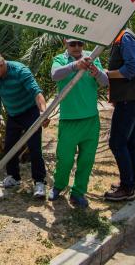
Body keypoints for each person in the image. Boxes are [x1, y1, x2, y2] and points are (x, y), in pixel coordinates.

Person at [48, 39, 108, 208]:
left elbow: (105, 82)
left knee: (86, 160)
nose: (76, 48)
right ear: (66, 43)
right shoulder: (60, 59)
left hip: (91, 119)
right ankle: (59, 186)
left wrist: (96, 72)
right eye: (72, 44)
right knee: (65, 159)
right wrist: (75, 66)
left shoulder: (92, 57)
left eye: (80, 44)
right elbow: (55, 75)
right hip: (69, 120)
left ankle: (78, 192)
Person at [0, 52, 49, 198]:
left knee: (34, 148)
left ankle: (39, 182)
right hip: (12, 114)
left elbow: (36, 92)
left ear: (1, 65)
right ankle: (14, 177)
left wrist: (44, 112)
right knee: (10, 147)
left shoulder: (20, 71)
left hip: (30, 112)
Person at [104, 29, 135, 201]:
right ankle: (130, 181)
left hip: (131, 101)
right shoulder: (120, 38)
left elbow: (131, 68)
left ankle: (127, 187)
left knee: (116, 143)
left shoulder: (125, 38)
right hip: (134, 100)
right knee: (128, 141)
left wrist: (106, 74)